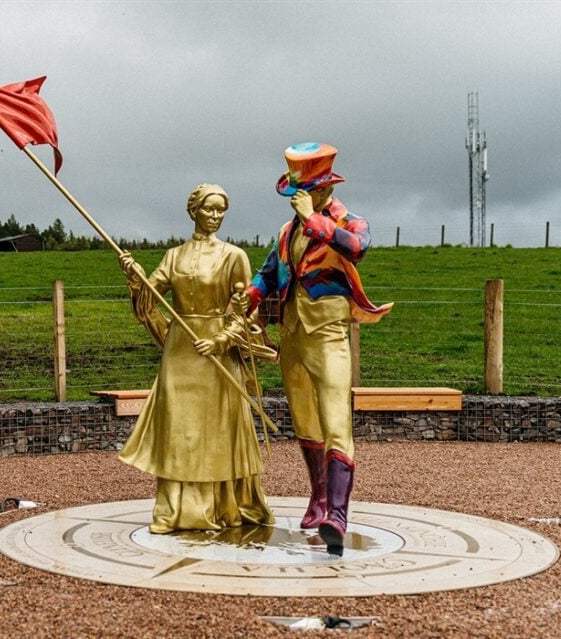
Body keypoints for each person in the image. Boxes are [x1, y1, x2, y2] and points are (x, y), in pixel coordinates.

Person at [245, 143, 392, 555]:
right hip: (292, 335)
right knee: (305, 421)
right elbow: (271, 268)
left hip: (328, 335)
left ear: (324, 190)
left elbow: (357, 249)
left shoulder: (349, 221)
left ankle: (338, 516)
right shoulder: (287, 231)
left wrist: (314, 219)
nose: (296, 200)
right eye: (294, 194)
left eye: (302, 192)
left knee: (334, 419)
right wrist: (252, 296)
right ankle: (319, 499)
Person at [118, 183, 275, 534]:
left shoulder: (234, 256)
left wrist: (220, 340)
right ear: (194, 211)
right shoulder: (174, 255)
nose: (216, 216)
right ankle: (174, 509)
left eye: (221, 210)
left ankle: (222, 506)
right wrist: (134, 276)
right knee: (179, 428)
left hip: (216, 354)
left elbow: (247, 311)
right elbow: (151, 294)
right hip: (180, 351)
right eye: (209, 209)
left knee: (216, 428)